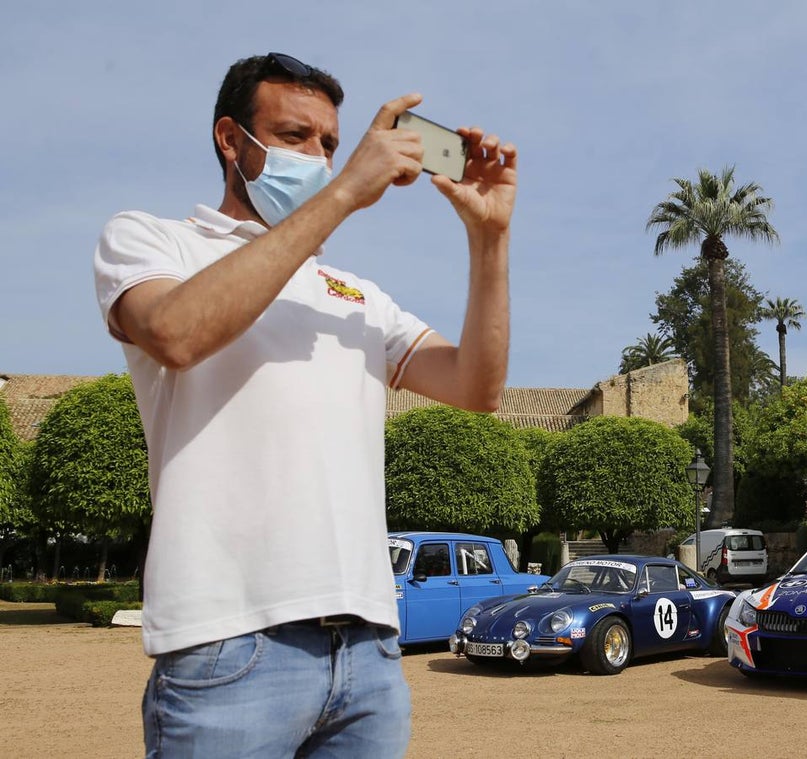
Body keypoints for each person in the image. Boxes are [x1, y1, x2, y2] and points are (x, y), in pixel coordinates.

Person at [93, 52, 517, 757]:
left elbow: (478, 387)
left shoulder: (356, 295)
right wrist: (346, 192)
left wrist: (490, 237)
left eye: (329, 143)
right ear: (231, 139)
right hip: (227, 647)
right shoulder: (152, 240)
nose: (318, 157)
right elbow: (174, 331)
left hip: (369, 654)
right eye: (295, 136)